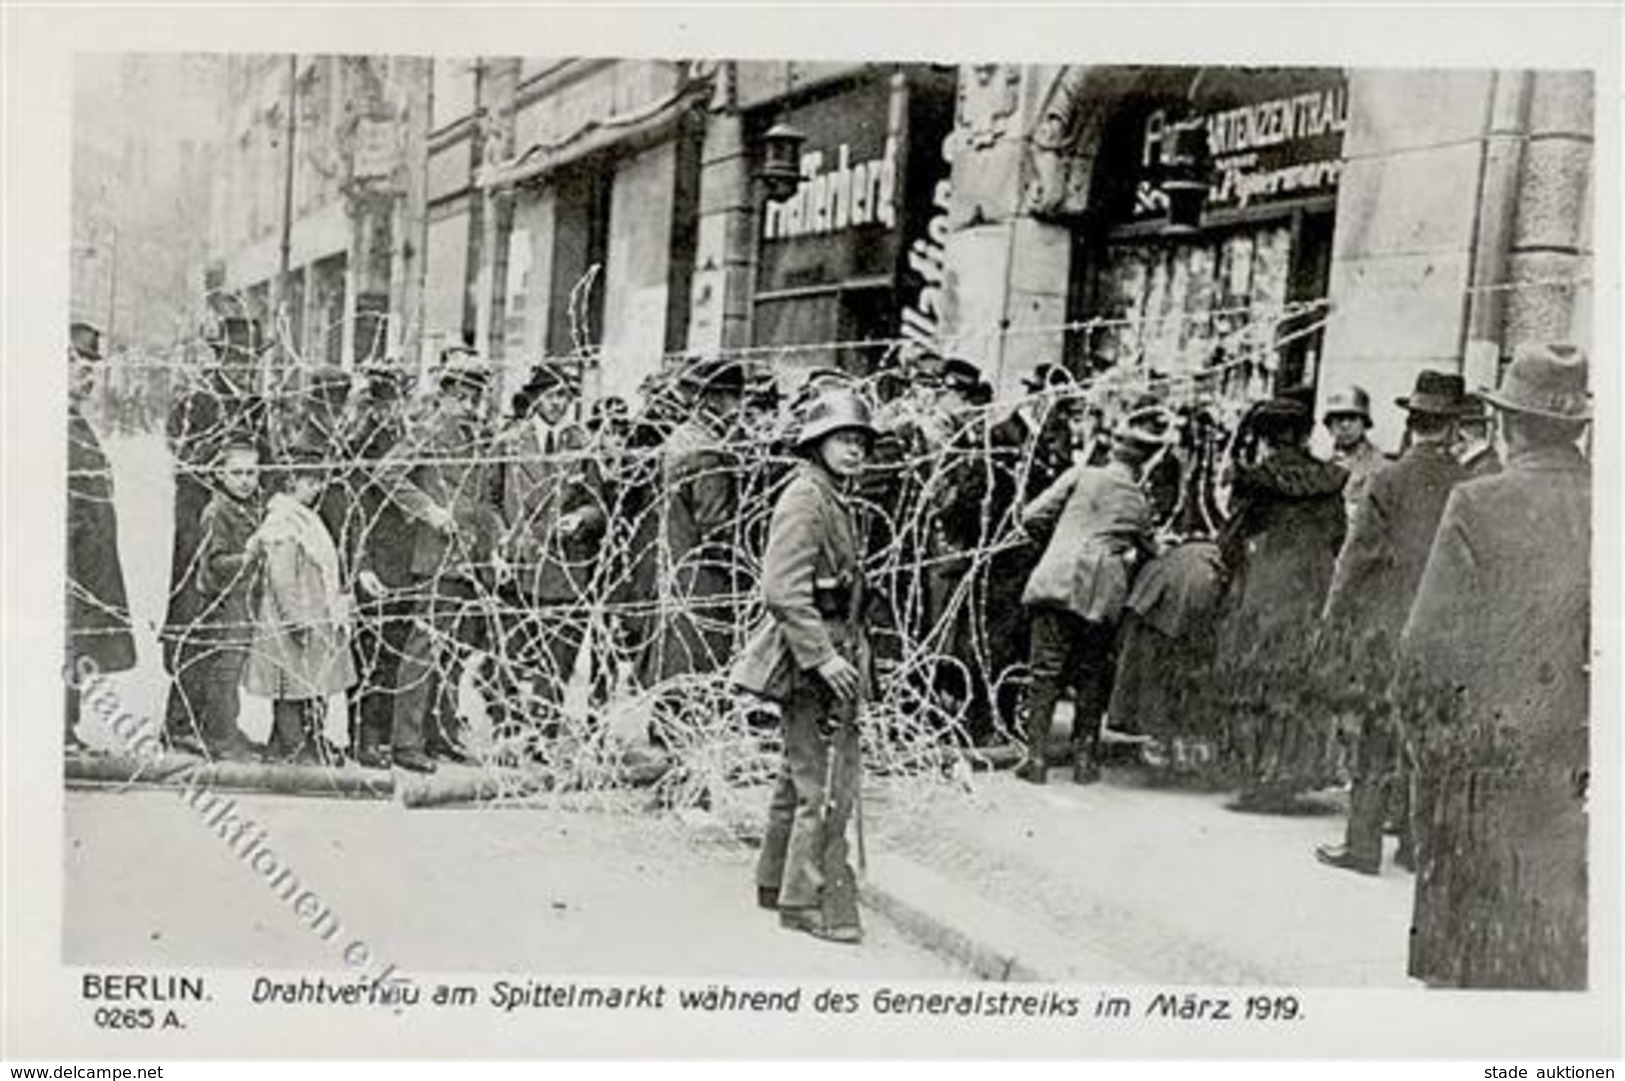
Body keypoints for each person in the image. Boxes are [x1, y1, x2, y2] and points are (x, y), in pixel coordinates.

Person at [1395, 342, 1590, 990]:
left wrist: (1430, 762)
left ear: (1507, 425)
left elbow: (1422, 657)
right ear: (1575, 428)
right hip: (1577, 777)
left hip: (1482, 772)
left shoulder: (1478, 503)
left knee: (1469, 972)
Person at [732, 386, 875, 945]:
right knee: (827, 782)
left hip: (826, 643)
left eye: (862, 440)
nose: (856, 449)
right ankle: (807, 899)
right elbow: (781, 590)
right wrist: (824, 657)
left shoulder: (828, 494)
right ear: (817, 442)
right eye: (844, 438)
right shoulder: (807, 497)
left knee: (800, 773)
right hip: (814, 652)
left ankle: (776, 881)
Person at [1314, 370, 1468, 875]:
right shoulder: (1470, 485)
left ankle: (1362, 847)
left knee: (1375, 737)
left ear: (1414, 422)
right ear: (1451, 427)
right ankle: (1413, 844)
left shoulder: (1388, 479)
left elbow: (1354, 562)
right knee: (1424, 738)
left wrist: (1332, 622)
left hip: (1386, 629)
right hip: (1443, 632)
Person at [1014, 412, 1164, 784]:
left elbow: (1031, 515)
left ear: (1112, 447)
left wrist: (1057, 540)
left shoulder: (1081, 475)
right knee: (1092, 674)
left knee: (1044, 672)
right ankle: (1085, 761)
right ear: (1144, 461)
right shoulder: (1140, 502)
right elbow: (1150, 550)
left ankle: (1035, 759)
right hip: (1102, 592)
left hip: (1058, 577)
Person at [1212, 395, 1348, 807]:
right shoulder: (1330, 480)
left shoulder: (1254, 480)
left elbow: (1231, 538)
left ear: (1266, 438)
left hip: (1268, 581)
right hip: (1314, 583)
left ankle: (1256, 778)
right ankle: (1293, 774)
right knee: (1300, 672)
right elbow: (1338, 533)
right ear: (1307, 435)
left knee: (1256, 674)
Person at [378, 351, 506, 773]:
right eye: (464, 396)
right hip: (436, 558)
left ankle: (442, 733)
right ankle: (406, 741)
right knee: (423, 649)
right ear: (446, 395)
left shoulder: (479, 437)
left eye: (477, 397)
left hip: (471, 560)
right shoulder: (428, 431)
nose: (471, 406)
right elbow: (387, 472)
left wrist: (494, 547)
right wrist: (430, 511)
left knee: (453, 654)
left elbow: (484, 500)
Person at [162, 315, 268, 749]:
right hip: (199, 526)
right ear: (220, 356)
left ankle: (219, 724)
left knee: (230, 631)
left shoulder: (255, 403)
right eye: (237, 359)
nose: (245, 368)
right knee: (194, 624)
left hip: (243, 523)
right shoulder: (196, 400)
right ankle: (180, 725)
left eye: (250, 361)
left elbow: (269, 461)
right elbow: (183, 459)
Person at [636, 355, 749, 736]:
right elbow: (716, 524)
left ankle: (666, 722)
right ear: (715, 400)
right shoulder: (708, 452)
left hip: (676, 558)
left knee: (677, 649)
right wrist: (746, 564)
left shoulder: (682, 438)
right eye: (735, 398)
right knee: (699, 651)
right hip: (704, 572)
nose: (740, 408)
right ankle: (683, 730)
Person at [496, 363, 606, 730]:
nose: (560, 403)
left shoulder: (583, 444)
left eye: (566, 396)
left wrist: (581, 519)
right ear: (535, 397)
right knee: (512, 655)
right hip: (521, 563)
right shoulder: (509, 442)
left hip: (565, 566)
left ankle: (542, 734)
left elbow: (599, 505)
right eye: (553, 394)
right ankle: (506, 730)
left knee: (558, 658)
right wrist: (502, 538)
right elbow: (489, 501)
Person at [242, 443, 358, 765]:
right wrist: (295, 619)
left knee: (312, 682)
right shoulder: (283, 522)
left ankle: (307, 739)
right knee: (290, 687)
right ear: (292, 483)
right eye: (311, 482)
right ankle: (294, 746)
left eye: (319, 481)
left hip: (314, 611)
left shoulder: (303, 517)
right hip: (292, 617)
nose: (317, 488)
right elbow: (282, 578)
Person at [65, 321, 137, 751]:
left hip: (86, 561)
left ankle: (66, 729)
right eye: (77, 363)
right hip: (68, 564)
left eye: (92, 366)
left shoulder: (77, 423)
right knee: (63, 639)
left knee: (75, 643)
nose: (87, 374)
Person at [176, 435, 268, 760]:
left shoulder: (248, 508)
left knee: (233, 666)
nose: (246, 481)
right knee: (224, 670)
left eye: (252, 473)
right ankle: (221, 739)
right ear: (219, 474)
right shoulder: (217, 512)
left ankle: (228, 729)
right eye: (238, 473)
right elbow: (214, 565)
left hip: (243, 600)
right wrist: (249, 556)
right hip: (223, 602)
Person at [346, 364, 417, 769]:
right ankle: (365, 737)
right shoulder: (361, 444)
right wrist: (362, 564)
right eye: (386, 402)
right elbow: (355, 509)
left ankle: (384, 733)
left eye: (400, 400)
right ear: (372, 405)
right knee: (370, 650)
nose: (393, 409)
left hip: (405, 557)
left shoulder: (405, 437)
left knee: (394, 649)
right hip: (376, 557)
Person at [1322, 385, 1384, 522]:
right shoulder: (1322, 461)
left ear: (1364, 423)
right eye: (1338, 418)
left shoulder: (1380, 465)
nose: (1345, 425)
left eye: (1352, 418)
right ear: (1329, 426)